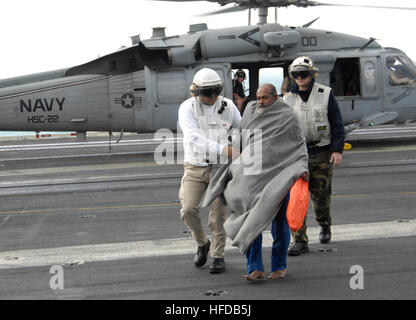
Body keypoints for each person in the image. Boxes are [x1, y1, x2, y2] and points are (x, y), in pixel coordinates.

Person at [178, 68, 241, 274]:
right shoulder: (187, 108)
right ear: (196, 92)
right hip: (195, 165)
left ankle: (217, 256)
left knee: (218, 215)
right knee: (188, 209)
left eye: (215, 91)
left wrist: (240, 147)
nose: (212, 97)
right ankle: (202, 242)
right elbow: (194, 137)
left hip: (220, 168)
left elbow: (241, 128)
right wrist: (225, 148)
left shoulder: (229, 106)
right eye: (207, 93)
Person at [244, 84, 309, 281]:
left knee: (279, 224)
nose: (260, 101)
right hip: (254, 176)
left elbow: (299, 143)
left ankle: (279, 265)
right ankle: (255, 268)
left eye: (264, 98)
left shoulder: (287, 116)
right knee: (252, 223)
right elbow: (242, 138)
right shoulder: (251, 111)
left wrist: (303, 168)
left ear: (274, 97)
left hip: (279, 177)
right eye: (258, 97)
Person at [283, 56, 345, 256]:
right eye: (296, 74)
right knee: (297, 198)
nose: (300, 78)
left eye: (303, 74)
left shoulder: (325, 94)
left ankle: (324, 224)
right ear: (292, 76)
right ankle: (300, 240)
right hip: (297, 154)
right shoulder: (287, 99)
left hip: (321, 151)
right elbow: (282, 128)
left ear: (311, 75)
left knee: (320, 195)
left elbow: (337, 123)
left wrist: (337, 150)